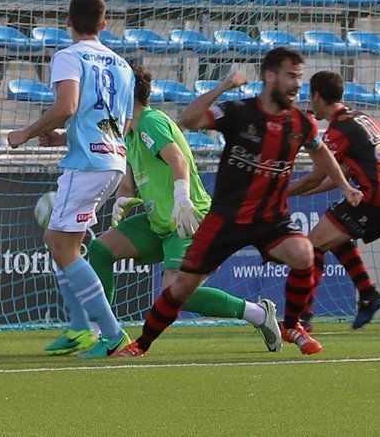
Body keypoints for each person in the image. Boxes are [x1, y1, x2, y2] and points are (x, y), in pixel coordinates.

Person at [114, 48, 363, 358]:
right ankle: (141, 344)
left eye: (299, 77)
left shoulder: (300, 123)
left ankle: (293, 325)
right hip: (226, 218)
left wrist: (344, 187)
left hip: (270, 219)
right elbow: (189, 119)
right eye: (291, 76)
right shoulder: (239, 112)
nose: (297, 84)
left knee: (303, 254)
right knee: (180, 290)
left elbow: (321, 152)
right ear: (270, 76)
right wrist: (221, 87)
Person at [87, 64, 281, 352]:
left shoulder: (151, 122)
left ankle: (259, 314)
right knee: (100, 250)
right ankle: (106, 333)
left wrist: (182, 199)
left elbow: (177, 160)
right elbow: (128, 184)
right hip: (157, 221)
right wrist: (121, 200)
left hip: (187, 218)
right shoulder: (128, 131)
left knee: (176, 294)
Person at [8, 0, 135, 358]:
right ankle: (81, 328)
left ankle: (109, 335)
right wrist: (63, 137)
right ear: (104, 25)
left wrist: (26, 134)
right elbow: (120, 124)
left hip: (87, 165)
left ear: (68, 22)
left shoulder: (69, 56)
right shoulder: (122, 65)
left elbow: (67, 105)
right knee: (63, 242)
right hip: (113, 159)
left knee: (60, 244)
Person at [288, 71, 380, 330]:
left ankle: (302, 316)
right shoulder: (362, 118)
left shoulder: (339, 129)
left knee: (313, 246)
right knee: (336, 236)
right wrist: (307, 191)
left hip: (379, 198)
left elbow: (318, 175)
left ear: (318, 96)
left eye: (311, 97)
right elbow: (340, 174)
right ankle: (367, 294)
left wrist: (281, 192)